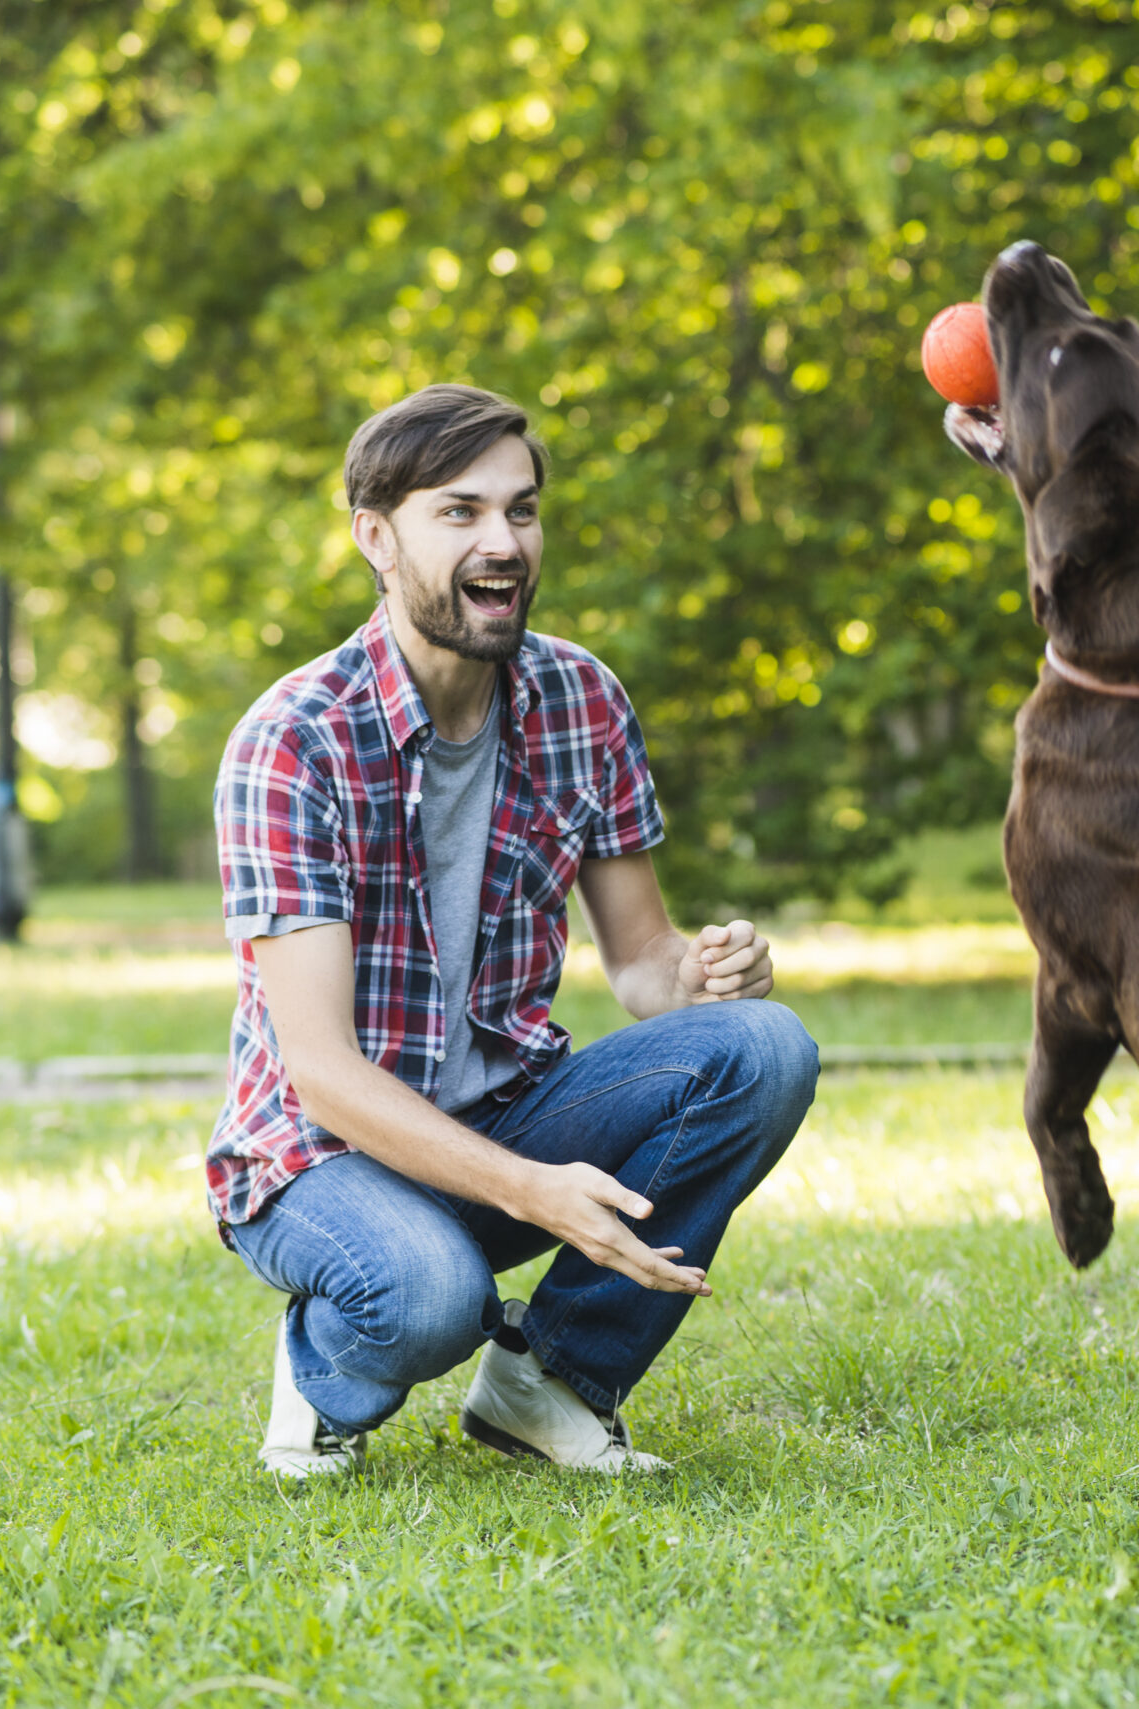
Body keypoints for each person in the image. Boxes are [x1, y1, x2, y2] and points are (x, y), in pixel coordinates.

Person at [206, 383, 817, 1479]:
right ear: (376, 538)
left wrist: (707, 970)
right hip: (320, 1157)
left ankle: (554, 1377)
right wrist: (534, 1192)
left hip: (506, 1113)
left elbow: (641, 963)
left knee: (765, 1048)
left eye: (521, 511)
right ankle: (322, 1367)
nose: (504, 543)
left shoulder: (580, 698)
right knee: (432, 1295)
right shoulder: (293, 742)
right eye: (461, 512)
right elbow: (322, 1071)